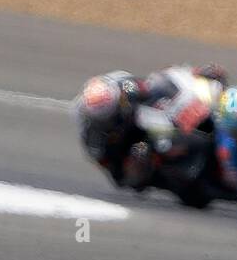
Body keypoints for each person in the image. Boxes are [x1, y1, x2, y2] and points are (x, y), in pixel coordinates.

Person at [76, 64, 227, 189]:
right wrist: (135, 166)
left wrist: (194, 74)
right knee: (157, 155)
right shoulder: (94, 138)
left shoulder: (124, 87)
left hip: (152, 120)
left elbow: (157, 82)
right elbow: (119, 176)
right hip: (137, 154)